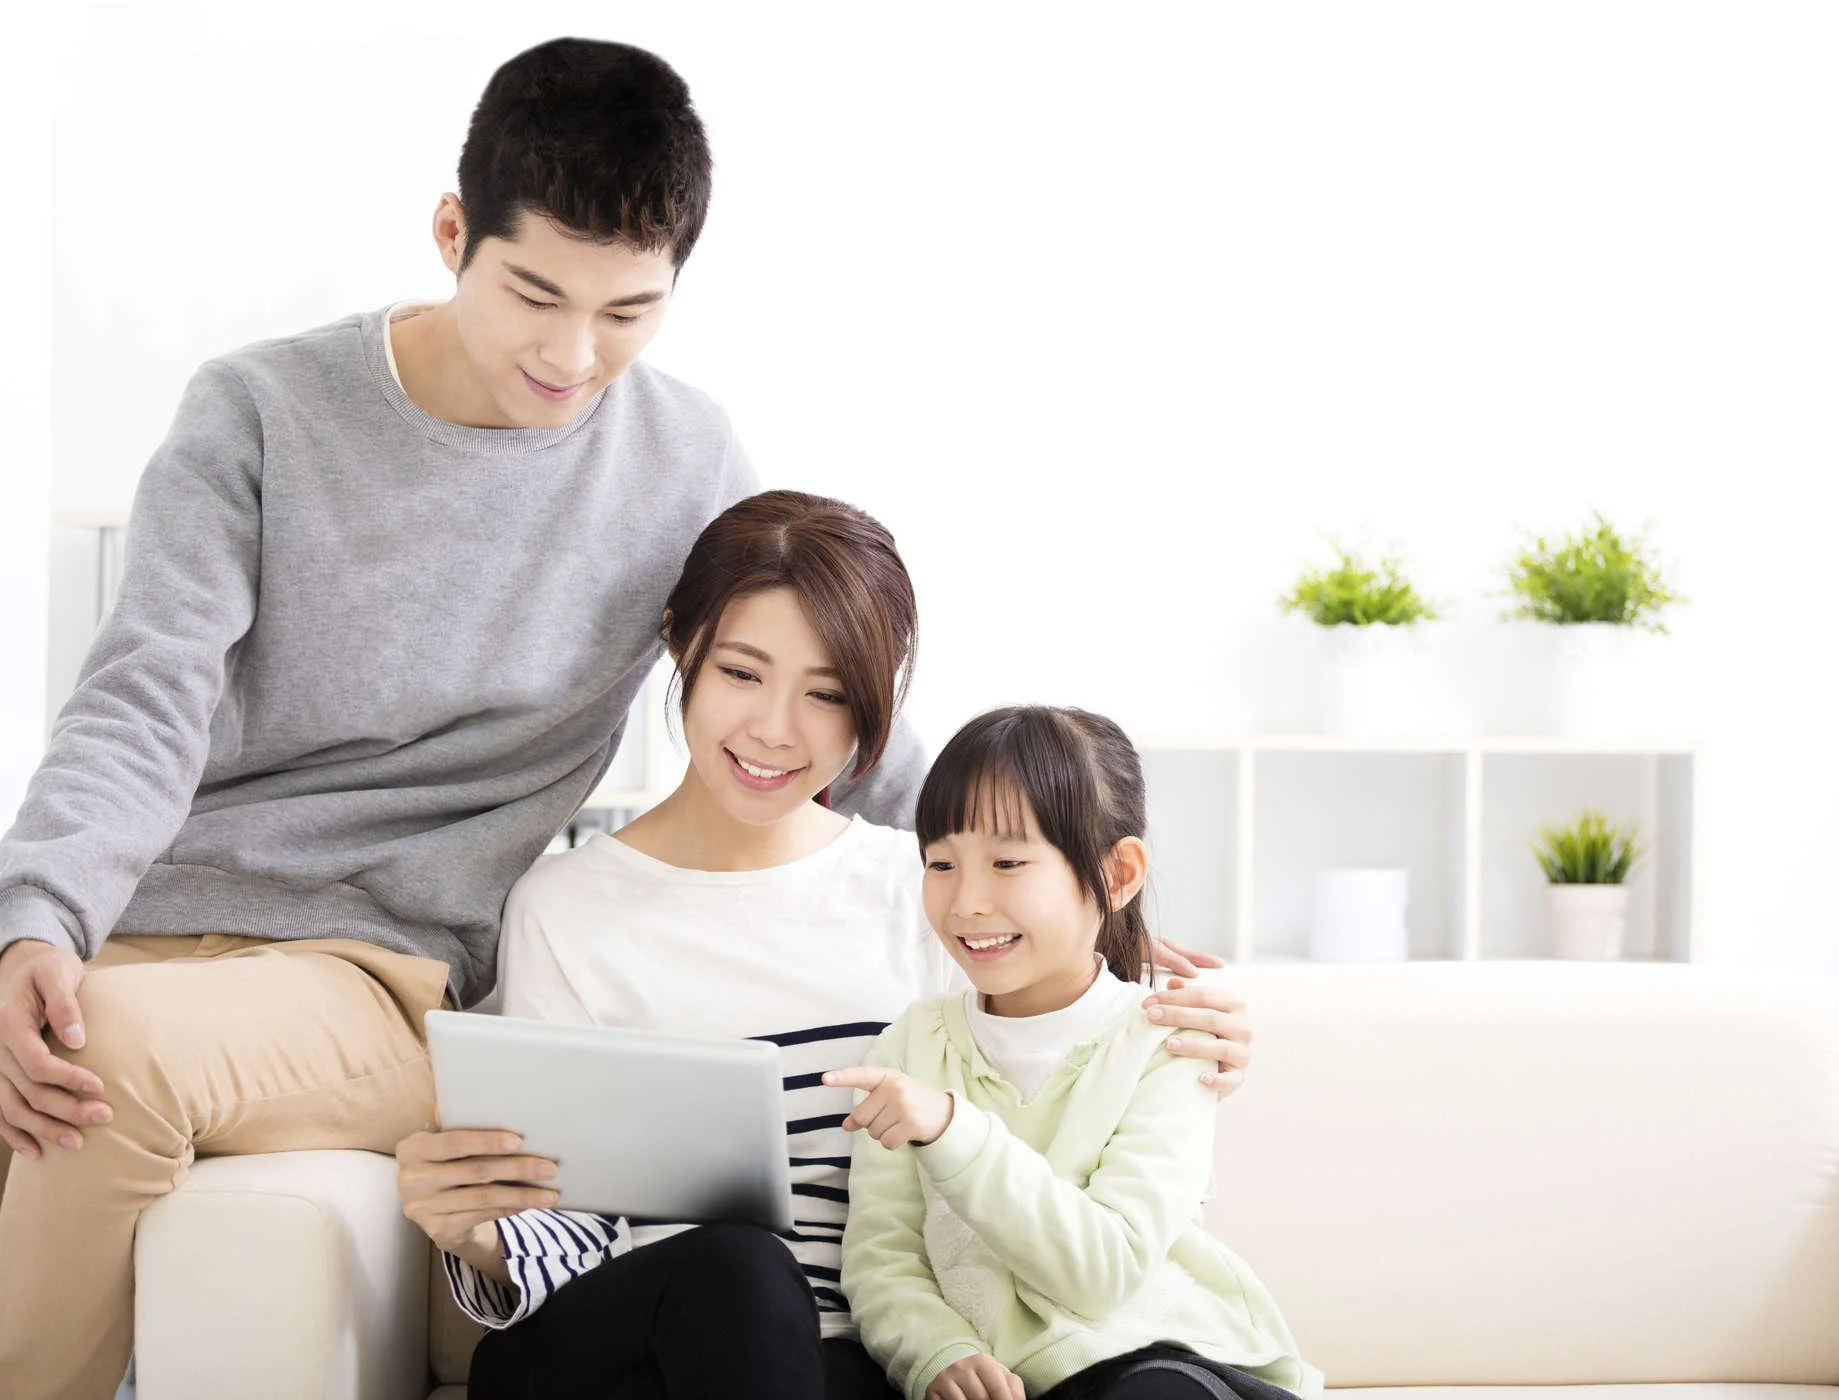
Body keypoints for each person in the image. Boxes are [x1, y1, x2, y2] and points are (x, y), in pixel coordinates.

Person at [0, 39, 921, 1399]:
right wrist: (41, 915)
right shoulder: (259, 411)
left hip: (384, 972)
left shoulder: (681, 457)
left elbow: (819, 678)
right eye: (535, 294)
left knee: (106, 1057)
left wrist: (1051, 882)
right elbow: (145, 689)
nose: (573, 355)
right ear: (451, 233)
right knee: (72, 1020)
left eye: (629, 314)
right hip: (154, 920)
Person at [396, 493, 1255, 1400]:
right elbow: (570, 1215)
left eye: (828, 694)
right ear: (678, 643)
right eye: (740, 673)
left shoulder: (935, 895)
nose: (775, 728)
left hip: (870, 1356)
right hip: (650, 1338)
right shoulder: (565, 909)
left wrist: (1200, 1028)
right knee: (740, 1267)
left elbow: (1073, 1102)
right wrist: (481, 1235)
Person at [835, 705, 1321, 1400]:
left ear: (1117, 875)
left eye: (1008, 862)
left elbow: (1104, 1272)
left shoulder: (1169, 1044)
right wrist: (936, 1350)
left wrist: (952, 1129)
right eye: (941, 862)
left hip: (1150, 1365)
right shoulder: (910, 1048)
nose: (967, 901)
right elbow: (882, 1258)